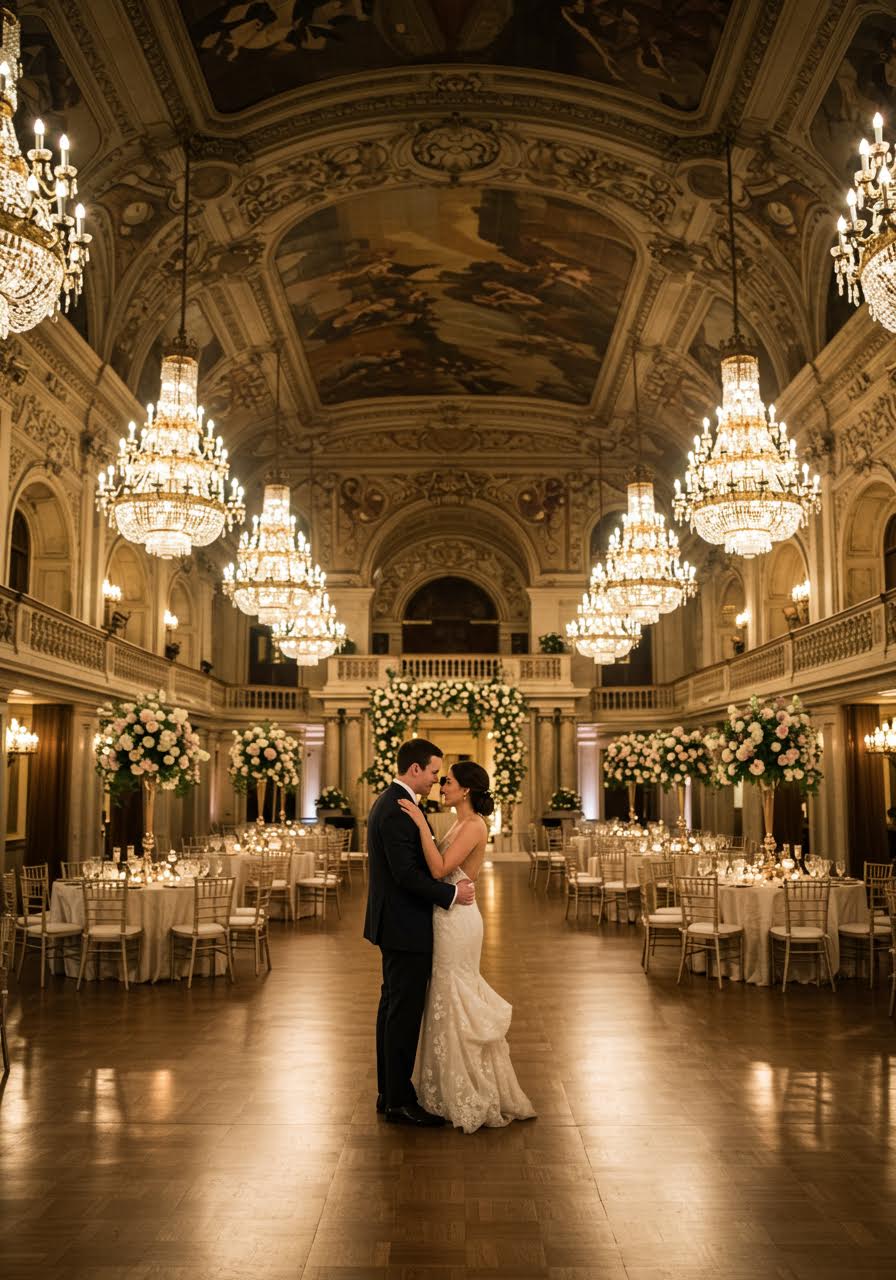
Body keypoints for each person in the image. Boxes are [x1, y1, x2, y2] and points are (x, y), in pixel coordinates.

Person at [398, 761, 536, 1133]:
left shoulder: (474, 824)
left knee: (454, 991)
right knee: (443, 993)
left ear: (467, 790)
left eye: (449, 782)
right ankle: (442, 1086)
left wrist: (419, 826)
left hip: (458, 920)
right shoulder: (459, 822)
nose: (443, 786)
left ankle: (469, 1088)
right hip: (447, 914)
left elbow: (441, 869)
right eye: (443, 780)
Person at [363, 738, 476, 1127]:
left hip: (396, 922)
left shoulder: (396, 803)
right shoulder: (396, 809)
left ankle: (389, 1091)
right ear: (415, 770)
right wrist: (451, 893)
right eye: (432, 772)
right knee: (403, 1014)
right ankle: (398, 1100)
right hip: (403, 924)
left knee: (392, 1009)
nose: (435, 780)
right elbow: (405, 875)